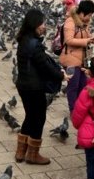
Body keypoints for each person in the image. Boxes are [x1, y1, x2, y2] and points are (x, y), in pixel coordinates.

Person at [14, 9, 65, 165]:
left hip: (23, 84)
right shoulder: (34, 45)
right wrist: (61, 75)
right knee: (38, 118)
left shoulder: (23, 39)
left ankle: (20, 152)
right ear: (34, 24)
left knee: (30, 116)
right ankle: (32, 155)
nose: (44, 26)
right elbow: (44, 66)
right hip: (34, 87)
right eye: (42, 23)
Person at [61, 0, 94, 110]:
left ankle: (81, 108)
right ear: (82, 13)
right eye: (89, 15)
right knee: (73, 86)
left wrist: (91, 39)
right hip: (71, 59)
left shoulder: (85, 23)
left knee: (83, 85)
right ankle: (73, 110)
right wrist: (86, 41)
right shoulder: (70, 22)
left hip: (83, 59)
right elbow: (69, 40)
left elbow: (85, 35)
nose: (90, 18)